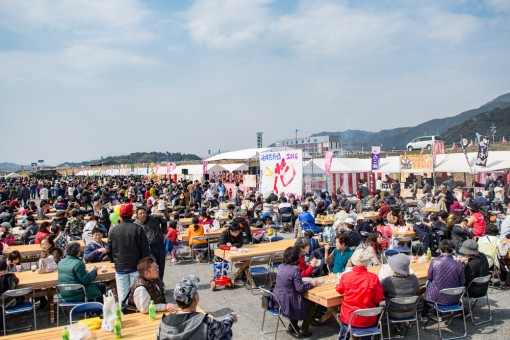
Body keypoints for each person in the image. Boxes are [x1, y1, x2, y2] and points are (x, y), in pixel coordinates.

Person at [157, 275, 238, 339]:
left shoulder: (164, 323)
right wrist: (231, 317)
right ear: (195, 297)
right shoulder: (205, 322)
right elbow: (223, 328)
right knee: (226, 334)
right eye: (196, 291)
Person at [336, 248, 384, 339]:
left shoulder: (346, 276)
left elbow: (339, 289)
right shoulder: (373, 277)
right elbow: (378, 298)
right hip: (368, 319)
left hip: (349, 318)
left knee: (344, 328)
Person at [107, 204, 150, 304]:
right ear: (132, 215)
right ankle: (138, 313)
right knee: (137, 293)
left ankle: (125, 314)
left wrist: (114, 260)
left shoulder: (113, 230)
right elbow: (145, 249)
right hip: (136, 266)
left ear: (120, 216)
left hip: (120, 267)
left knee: (122, 295)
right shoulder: (138, 228)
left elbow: (109, 249)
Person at [272, 247, 317, 337]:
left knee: (296, 298)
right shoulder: (295, 269)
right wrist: (311, 284)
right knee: (312, 303)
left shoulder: (281, 266)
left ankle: (292, 326)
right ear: (296, 257)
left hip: (277, 299)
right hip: (288, 302)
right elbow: (299, 288)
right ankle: (304, 329)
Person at [421, 240, 465, 320]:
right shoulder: (459, 265)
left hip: (436, 297)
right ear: (452, 250)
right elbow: (462, 282)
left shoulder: (434, 262)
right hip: (454, 298)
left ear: (440, 250)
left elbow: (429, 277)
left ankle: (424, 314)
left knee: (429, 284)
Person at [381, 253, 420, 319]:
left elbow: (382, 294)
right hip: (411, 311)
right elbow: (417, 291)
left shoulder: (388, 281)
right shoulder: (414, 278)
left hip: (393, 312)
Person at [135, 206, 167, 280]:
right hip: (149, 248)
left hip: (159, 245)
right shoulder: (136, 224)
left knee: (161, 266)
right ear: (137, 215)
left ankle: (160, 283)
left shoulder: (154, 218)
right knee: (153, 267)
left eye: (144, 213)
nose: (143, 215)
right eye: (140, 213)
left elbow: (164, 222)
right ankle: (155, 284)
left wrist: (164, 233)